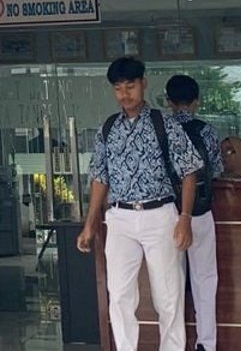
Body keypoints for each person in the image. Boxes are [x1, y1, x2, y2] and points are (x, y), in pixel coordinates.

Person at [77, 57, 205, 351]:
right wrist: (90, 224)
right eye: (118, 88)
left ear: (143, 83)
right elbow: (100, 177)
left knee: (168, 295)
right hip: (120, 217)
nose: (125, 94)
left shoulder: (165, 124)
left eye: (130, 86)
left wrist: (185, 217)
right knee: (119, 294)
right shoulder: (108, 128)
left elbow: (189, 172)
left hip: (160, 215)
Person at [166, 74, 224, 351]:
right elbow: (217, 169)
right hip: (200, 211)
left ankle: (174, 342)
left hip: (168, 213)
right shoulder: (206, 131)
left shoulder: (162, 130)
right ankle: (206, 343)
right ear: (197, 101)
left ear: (168, 102)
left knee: (170, 281)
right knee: (205, 278)